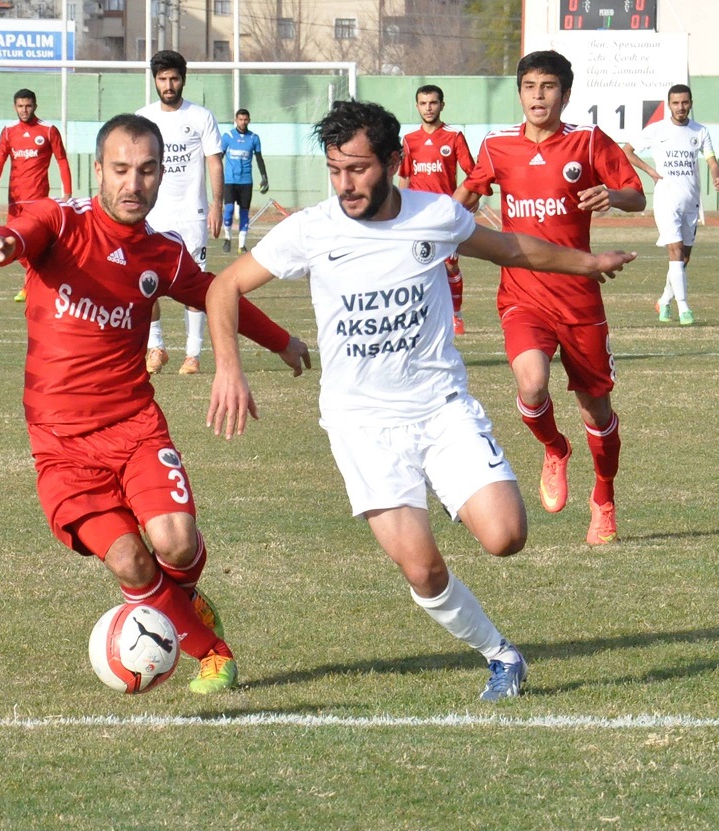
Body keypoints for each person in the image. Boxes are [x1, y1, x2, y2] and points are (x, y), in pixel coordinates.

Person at [204, 100, 636, 701]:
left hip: (440, 410)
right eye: (334, 169)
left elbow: (511, 248)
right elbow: (224, 285)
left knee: (507, 536)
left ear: (392, 161)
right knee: (424, 569)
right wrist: (230, 367)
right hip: (361, 427)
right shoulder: (311, 229)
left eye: (357, 168)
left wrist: (586, 262)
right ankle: (500, 654)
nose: (345, 184)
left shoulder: (435, 214)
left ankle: (481, 486)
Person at [0, 113, 309, 695]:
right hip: (61, 445)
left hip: (134, 426)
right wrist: (1, 243)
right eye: (121, 169)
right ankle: (211, 650)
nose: (134, 184)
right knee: (129, 560)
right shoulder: (61, 221)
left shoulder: (163, 253)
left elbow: (216, 292)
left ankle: (178, 601)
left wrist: (281, 340)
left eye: (147, 171)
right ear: (98, 169)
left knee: (177, 543)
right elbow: (25, 229)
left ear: (161, 175)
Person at [454, 50, 646, 546]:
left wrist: (613, 195)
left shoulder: (587, 141)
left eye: (548, 87)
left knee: (596, 412)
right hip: (523, 294)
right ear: (519, 93)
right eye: (530, 87)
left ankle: (603, 497)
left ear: (565, 93)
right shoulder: (497, 147)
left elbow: (635, 193)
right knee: (532, 385)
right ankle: (554, 448)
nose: (538, 96)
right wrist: (430, 233)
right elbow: (467, 197)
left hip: (580, 297)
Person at [136, 50, 225, 376]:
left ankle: (193, 354)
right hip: (153, 214)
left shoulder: (201, 117)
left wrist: (217, 204)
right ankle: (156, 348)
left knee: (194, 284)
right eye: (162, 79)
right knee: (146, 282)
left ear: (183, 79)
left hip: (192, 214)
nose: (168, 85)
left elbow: (215, 161)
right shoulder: (143, 118)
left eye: (174, 78)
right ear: (155, 81)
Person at [623, 84, 719, 326]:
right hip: (666, 200)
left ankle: (665, 300)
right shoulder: (657, 130)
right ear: (669, 104)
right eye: (676, 103)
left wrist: (717, 175)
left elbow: (711, 161)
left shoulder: (700, 131)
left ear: (691, 103)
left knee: (683, 259)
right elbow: (627, 151)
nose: (680, 107)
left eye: (685, 102)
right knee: (675, 251)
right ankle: (685, 308)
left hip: (691, 202)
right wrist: (650, 171)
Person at [398, 84, 475, 335]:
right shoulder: (409, 140)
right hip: (417, 215)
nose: (428, 108)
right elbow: (405, 177)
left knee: (450, 266)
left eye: (433, 103)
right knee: (414, 265)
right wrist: (399, 209)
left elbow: (472, 174)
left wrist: (462, 201)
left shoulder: (454, 137)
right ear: (417, 106)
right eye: (423, 103)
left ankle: (456, 313)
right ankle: (418, 315)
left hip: (445, 215)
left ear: (442, 105)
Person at [0, 88, 72, 302]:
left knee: (30, 243)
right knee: (12, 243)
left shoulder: (48, 130)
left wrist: (67, 192)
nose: (24, 110)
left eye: (28, 106)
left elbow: (61, 160)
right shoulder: (8, 131)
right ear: (15, 107)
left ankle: (30, 286)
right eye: (20, 106)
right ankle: (41, 280)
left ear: (35, 106)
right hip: (15, 200)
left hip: (38, 200)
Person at [221, 108, 269, 254]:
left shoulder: (254, 138)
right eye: (240, 119)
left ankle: (242, 244)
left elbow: (259, 158)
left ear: (249, 120)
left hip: (246, 182)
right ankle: (227, 237)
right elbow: (219, 157)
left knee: (244, 213)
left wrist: (264, 177)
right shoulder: (228, 136)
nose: (243, 122)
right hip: (230, 181)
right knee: (228, 210)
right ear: (235, 120)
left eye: (245, 119)